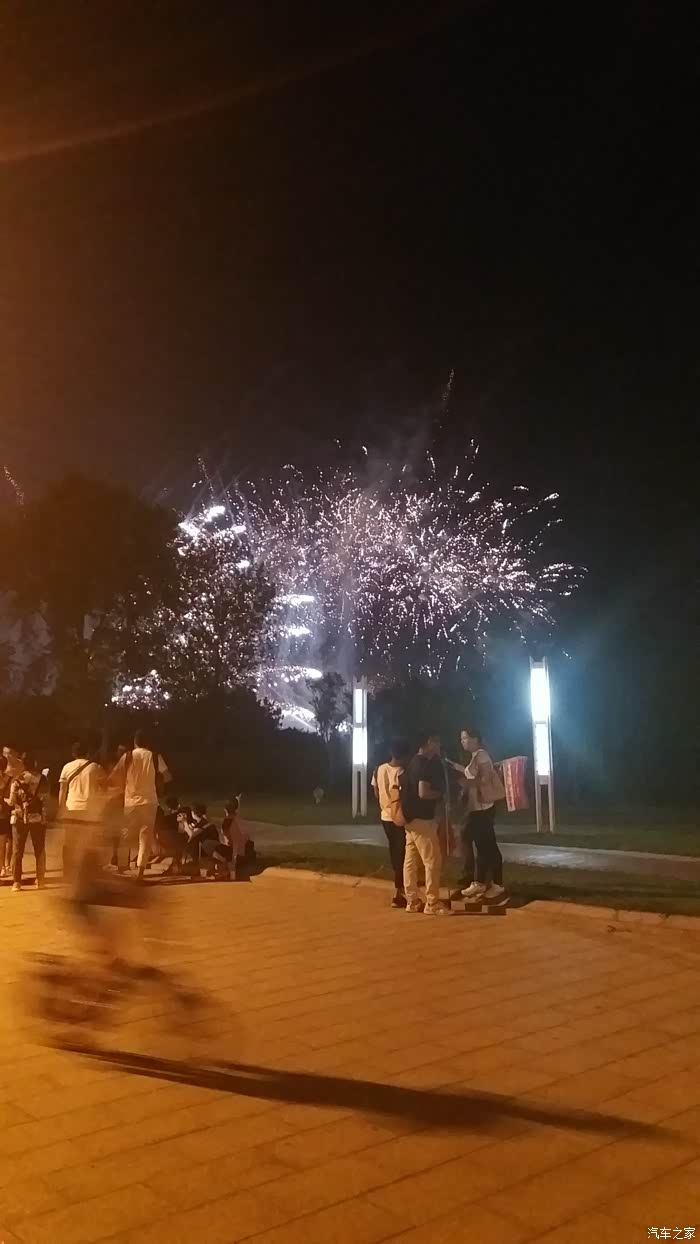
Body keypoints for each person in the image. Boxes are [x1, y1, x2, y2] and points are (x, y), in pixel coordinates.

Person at [448, 728, 506, 903]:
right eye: (461, 738)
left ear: (475, 739)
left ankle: (497, 884)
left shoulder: (481, 755)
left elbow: (485, 779)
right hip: (476, 809)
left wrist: (466, 783)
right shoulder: (475, 756)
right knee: (480, 845)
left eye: (465, 738)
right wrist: (457, 768)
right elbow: (472, 774)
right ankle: (480, 882)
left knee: (487, 846)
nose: (462, 741)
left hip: (483, 809)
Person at [400, 732, 451, 916]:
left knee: (410, 861)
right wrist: (440, 795)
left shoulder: (413, 762)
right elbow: (423, 792)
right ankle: (432, 902)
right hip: (422, 819)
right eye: (437, 743)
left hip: (409, 819)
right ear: (429, 742)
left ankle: (412, 900)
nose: (439, 747)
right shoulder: (425, 764)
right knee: (432, 861)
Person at [110, 729, 172, 880]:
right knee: (145, 837)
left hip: (130, 802)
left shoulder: (128, 756)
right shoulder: (155, 757)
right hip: (149, 801)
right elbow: (168, 777)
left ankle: (122, 868)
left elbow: (114, 775)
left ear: (135, 742)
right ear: (148, 743)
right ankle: (140, 872)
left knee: (125, 834)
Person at [58, 740, 106, 879]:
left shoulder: (67, 767)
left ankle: (68, 872)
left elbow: (62, 791)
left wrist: (61, 809)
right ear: (88, 753)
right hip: (89, 810)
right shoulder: (96, 767)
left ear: (73, 753)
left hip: (71, 808)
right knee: (89, 842)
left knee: (69, 843)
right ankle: (88, 873)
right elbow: (104, 788)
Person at [371, 739, 409, 908]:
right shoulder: (402, 772)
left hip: (385, 816)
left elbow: (376, 792)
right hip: (399, 816)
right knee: (403, 853)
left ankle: (400, 887)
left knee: (395, 851)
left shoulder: (379, 769)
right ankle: (399, 890)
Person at [9, 758, 49, 891]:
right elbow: (45, 799)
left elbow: (12, 801)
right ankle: (40, 881)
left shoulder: (16, 780)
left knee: (17, 851)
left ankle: (17, 882)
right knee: (40, 850)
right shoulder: (43, 779)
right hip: (38, 818)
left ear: (23, 765)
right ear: (35, 764)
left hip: (20, 818)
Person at [0, 756, 14, 877]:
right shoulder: (10, 779)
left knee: (2, 842)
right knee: (4, 841)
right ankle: (4, 867)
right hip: (5, 814)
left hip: (3, 814)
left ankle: (3, 867)